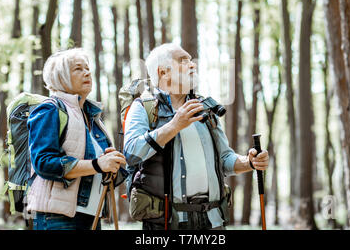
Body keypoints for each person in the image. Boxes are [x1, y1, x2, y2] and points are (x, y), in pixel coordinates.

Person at [124, 43, 269, 230]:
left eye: (191, 60)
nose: (192, 65)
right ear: (163, 73)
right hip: (168, 223)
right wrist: (175, 125)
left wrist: (249, 162)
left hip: (213, 221)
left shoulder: (206, 108)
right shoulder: (143, 107)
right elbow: (131, 153)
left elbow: (224, 159)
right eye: (183, 61)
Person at [27, 48, 127, 230]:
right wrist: (98, 164)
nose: (87, 72)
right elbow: (43, 162)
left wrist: (111, 164)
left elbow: (96, 167)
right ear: (61, 76)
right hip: (58, 219)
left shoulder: (92, 116)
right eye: (78, 69)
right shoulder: (50, 110)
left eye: (87, 68)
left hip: (91, 216)